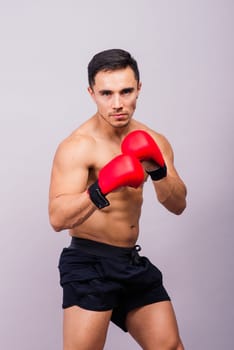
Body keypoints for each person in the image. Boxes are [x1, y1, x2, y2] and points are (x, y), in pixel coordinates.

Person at [49, 48, 187, 350]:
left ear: (139, 87)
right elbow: (57, 218)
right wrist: (102, 187)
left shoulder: (154, 140)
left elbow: (178, 205)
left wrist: (158, 170)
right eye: (106, 93)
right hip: (89, 263)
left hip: (130, 261)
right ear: (91, 93)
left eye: (126, 92)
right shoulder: (78, 146)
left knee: (170, 347)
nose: (118, 104)